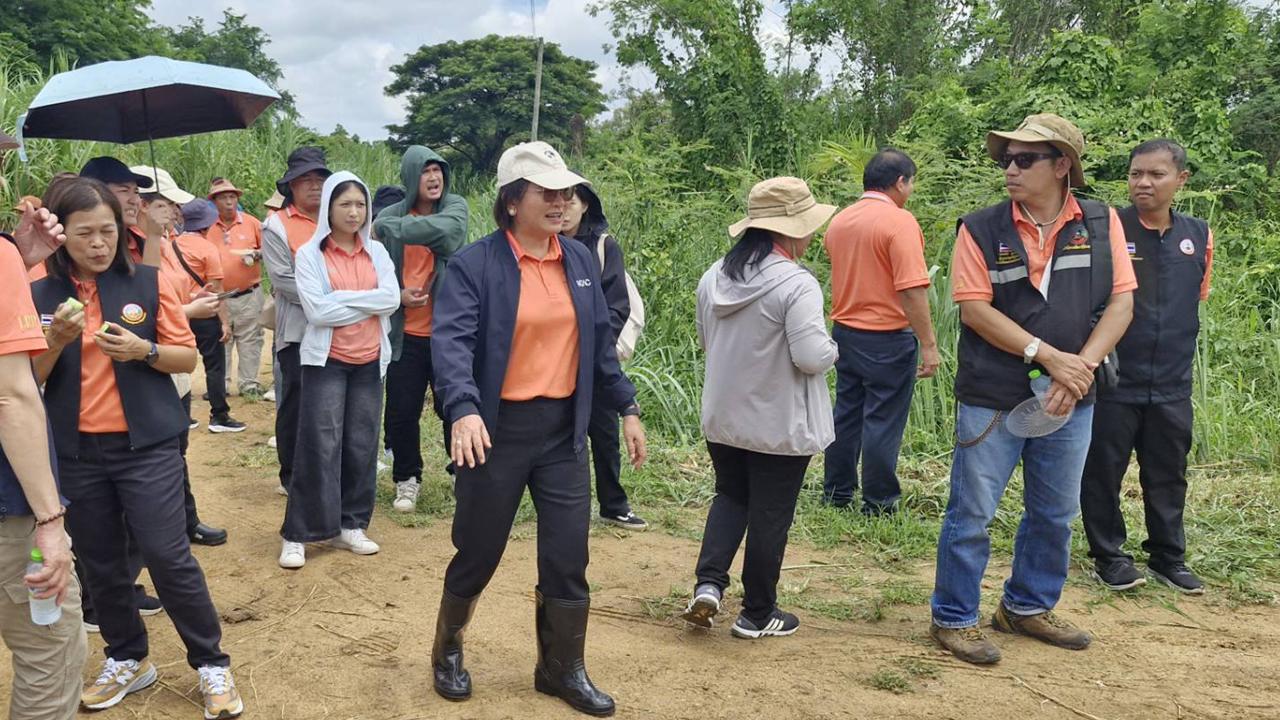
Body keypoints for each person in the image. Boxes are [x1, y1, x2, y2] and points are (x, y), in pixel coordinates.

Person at [429, 141, 647, 716]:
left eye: (566, 192)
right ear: (511, 201)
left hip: (562, 433)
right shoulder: (476, 265)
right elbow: (451, 345)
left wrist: (626, 407)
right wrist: (464, 408)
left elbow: (600, 347)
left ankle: (561, 669)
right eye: (546, 192)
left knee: (567, 554)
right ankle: (447, 648)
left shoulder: (577, 260)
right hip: (494, 430)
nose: (561, 201)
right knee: (478, 549)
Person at [29, 178, 242, 717]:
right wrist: (54, 342)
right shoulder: (40, 295)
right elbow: (30, 379)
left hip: (146, 446)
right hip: (75, 451)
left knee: (168, 557)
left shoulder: (147, 283)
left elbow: (186, 358)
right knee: (101, 565)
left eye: (107, 231)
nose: (98, 244)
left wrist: (143, 350)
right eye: (84, 234)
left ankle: (212, 663)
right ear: (62, 237)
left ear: (122, 229)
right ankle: (127, 658)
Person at [930, 113, 1135, 665]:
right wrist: (1048, 357)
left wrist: (1081, 369)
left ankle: (1026, 605)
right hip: (993, 394)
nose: (1010, 169)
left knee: (1055, 511)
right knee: (972, 511)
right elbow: (974, 309)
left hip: (1074, 395)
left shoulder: (1100, 222)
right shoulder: (979, 227)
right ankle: (954, 616)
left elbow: (1121, 302)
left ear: (1062, 164)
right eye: (1006, 160)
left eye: (1024, 159)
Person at [680, 177, 837, 639]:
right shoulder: (797, 284)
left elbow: (708, 341)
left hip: (724, 417)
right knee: (771, 513)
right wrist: (834, 350)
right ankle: (757, 612)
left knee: (730, 497)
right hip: (778, 422)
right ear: (789, 232)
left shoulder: (714, 276)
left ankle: (708, 585)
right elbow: (810, 356)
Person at [1080, 139, 1212, 594]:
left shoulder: (1198, 234)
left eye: (1156, 174)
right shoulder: (1109, 228)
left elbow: (1196, 299)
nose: (1143, 183)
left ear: (1181, 179)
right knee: (1103, 471)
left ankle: (1168, 557)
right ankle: (1108, 556)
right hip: (1116, 380)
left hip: (1172, 383)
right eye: (1136, 174)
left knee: (1168, 473)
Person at [0, 128, 87, 720]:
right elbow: (11, 398)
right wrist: (50, 522)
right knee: (49, 652)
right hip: (9, 509)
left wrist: (18, 259)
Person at [278, 172, 400, 568]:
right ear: (329, 208)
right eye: (345, 204)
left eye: (360, 204)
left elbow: (393, 300)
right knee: (319, 444)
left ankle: (352, 524)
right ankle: (297, 534)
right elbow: (317, 310)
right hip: (326, 363)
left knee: (362, 445)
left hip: (368, 363)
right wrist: (369, 299)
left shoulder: (377, 253)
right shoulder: (310, 255)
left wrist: (344, 299)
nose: (354, 211)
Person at [821, 149, 939, 515]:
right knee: (883, 421)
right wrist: (930, 344)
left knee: (847, 415)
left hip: (845, 333)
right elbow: (911, 289)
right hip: (888, 338)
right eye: (911, 182)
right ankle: (879, 502)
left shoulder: (840, 221)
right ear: (901, 181)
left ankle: (837, 494)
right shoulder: (899, 223)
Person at [372, 146, 469, 512]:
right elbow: (373, 267)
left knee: (453, 408)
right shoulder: (395, 212)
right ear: (412, 176)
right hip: (403, 333)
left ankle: (463, 473)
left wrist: (387, 225)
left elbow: (448, 234)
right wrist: (397, 296)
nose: (434, 177)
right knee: (401, 411)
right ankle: (406, 478)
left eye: (439, 170)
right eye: (426, 171)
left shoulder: (454, 207)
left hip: (448, 334)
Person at [136, 169, 229, 546]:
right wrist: (188, 312)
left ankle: (186, 520)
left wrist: (190, 302)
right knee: (163, 452)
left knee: (178, 448)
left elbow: (165, 296)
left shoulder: (166, 239)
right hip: (154, 358)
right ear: (142, 204)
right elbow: (142, 304)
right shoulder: (133, 245)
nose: (176, 210)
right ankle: (169, 531)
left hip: (175, 354)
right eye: (167, 203)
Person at [560, 180, 648, 530]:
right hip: (553, 357)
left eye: (572, 201)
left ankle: (613, 503)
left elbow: (617, 305)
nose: (563, 207)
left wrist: (593, 347)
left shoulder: (602, 246)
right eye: (558, 199)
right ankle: (564, 502)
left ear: (586, 206)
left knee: (604, 433)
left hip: (594, 357)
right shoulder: (545, 243)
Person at [263, 147, 332, 496]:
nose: (314, 187)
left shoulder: (337, 219)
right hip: (297, 332)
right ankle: (291, 475)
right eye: (305, 180)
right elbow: (284, 281)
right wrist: (335, 299)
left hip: (337, 332)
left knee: (328, 406)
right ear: (291, 186)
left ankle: (324, 471)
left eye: (320, 179)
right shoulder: (276, 224)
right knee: (296, 404)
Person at [206, 178, 267, 397]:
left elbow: (268, 250)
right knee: (222, 338)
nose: (229, 201)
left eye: (232, 197)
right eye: (223, 198)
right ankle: (221, 384)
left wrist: (257, 254)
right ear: (214, 201)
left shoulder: (252, 223)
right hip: (219, 295)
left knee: (251, 338)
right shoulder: (207, 227)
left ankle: (249, 383)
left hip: (249, 293)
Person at [79, 157, 161, 267]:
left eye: (136, 192)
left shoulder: (139, 242)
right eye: (124, 190)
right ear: (94, 193)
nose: (135, 200)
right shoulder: (82, 247)